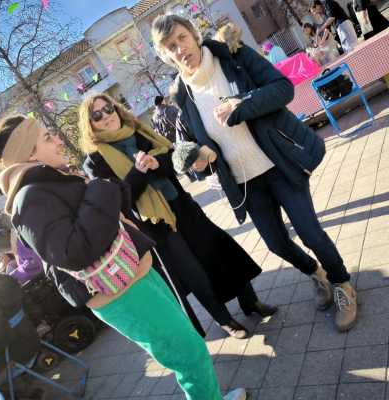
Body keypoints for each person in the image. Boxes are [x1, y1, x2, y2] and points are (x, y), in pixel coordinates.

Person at [0, 116, 246, 400]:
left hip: (132, 272)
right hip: (118, 291)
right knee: (189, 354)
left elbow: (100, 219)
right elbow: (72, 252)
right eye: (48, 137)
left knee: (187, 346)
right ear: (28, 153)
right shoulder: (29, 198)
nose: (59, 141)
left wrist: (110, 188)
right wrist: (99, 189)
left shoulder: (51, 182)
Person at [152, 16, 360, 332]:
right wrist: (200, 161)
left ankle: (343, 284)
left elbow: (283, 89)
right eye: (170, 46)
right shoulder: (183, 96)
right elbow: (194, 146)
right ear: (166, 55)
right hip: (245, 183)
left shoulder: (233, 56)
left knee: (310, 233)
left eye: (182, 38)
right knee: (277, 244)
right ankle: (315, 273)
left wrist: (242, 104)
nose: (180, 49)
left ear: (194, 36)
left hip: (277, 163)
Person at [79, 93, 278, 340]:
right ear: (90, 124)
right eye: (96, 115)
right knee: (194, 273)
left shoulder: (140, 131)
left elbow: (174, 158)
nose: (106, 116)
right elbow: (118, 203)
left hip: (182, 206)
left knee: (220, 251)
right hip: (157, 225)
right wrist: (138, 173)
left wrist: (156, 164)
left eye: (108, 108)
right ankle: (225, 321)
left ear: (116, 108)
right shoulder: (95, 162)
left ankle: (250, 301)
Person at [0, 273, 42, 398]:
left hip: (18, 351)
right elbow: (28, 303)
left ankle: (31, 394)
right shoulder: (0, 277)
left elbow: (1, 337)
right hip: (30, 334)